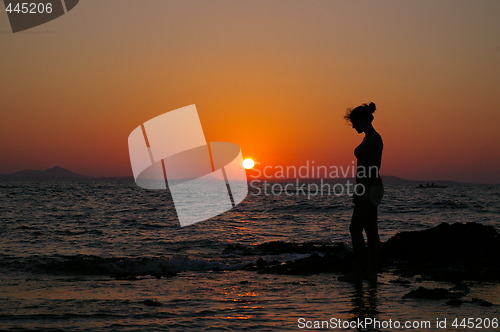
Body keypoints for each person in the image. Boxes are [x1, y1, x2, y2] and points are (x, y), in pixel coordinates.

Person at [340, 102, 384, 282]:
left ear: (362, 120)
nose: (353, 126)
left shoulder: (374, 138)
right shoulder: (368, 138)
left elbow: (374, 167)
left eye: (354, 122)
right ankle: (370, 272)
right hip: (368, 186)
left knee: (355, 228)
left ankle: (359, 272)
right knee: (370, 230)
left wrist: (362, 190)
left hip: (370, 187)